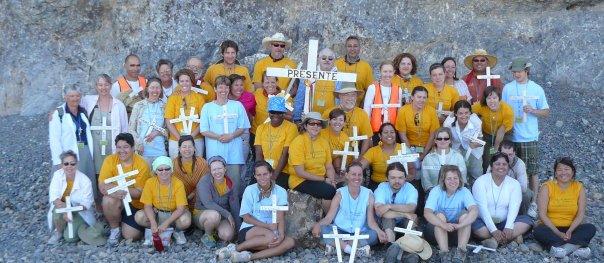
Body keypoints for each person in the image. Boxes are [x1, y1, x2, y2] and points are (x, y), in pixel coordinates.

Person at [217, 161, 296, 262]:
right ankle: (236, 248)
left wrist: (281, 236)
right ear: (255, 176)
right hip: (251, 227)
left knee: (290, 242)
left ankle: (248, 257)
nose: (262, 177)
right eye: (259, 175)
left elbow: (280, 217)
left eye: (265, 174)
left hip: (272, 230)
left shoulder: (280, 191)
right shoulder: (250, 190)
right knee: (271, 237)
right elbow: (246, 217)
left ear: (271, 173)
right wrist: (267, 226)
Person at [502, 58, 550, 218]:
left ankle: (533, 202)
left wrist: (533, 111)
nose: (516, 74)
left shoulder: (537, 89)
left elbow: (546, 111)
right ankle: (510, 201)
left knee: (532, 170)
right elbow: (503, 109)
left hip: (529, 136)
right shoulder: (508, 89)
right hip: (511, 136)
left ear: (526, 71)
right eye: (514, 72)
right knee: (508, 168)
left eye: (519, 71)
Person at [312, 162, 388, 258]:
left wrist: (379, 231)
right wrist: (318, 225)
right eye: (353, 174)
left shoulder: (369, 194)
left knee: (374, 235)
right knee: (323, 229)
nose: (357, 177)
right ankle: (353, 249)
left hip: (359, 233)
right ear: (347, 175)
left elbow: (371, 221)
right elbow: (328, 218)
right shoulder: (340, 194)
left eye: (359, 175)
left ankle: (338, 247)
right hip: (340, 231)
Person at [533, 157, 596, 259]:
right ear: (555, 173)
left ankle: (562, 249)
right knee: (538, 231)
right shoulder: (547, 187)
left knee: (590, 228)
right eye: (559, 169)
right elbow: (542, 215)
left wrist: (570, 231)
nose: (563, 172)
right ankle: (576, 247)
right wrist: (558, 233)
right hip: (551, 228)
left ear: (572, 172)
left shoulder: (579, 187)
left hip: (571, 229)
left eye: (566, 169)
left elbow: (580, 214)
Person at [200, 76, 251, 196]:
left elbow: (243, 126)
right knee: (216, 185)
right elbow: (203, 130)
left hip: (234, 151)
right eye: (220, 87)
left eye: (226, 87)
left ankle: (236, 211)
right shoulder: (207, 107)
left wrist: (231, 136)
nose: (224, 90)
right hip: (215, 151)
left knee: (235, 184)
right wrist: (219, 137)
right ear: (215, 89)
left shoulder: (237, 105)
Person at [98, 133, 152, 244]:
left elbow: (139, 192)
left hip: (136, 204)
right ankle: (115, 229)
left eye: (126, 147)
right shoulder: (110, 160)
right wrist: (116, 191)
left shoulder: (142, 164)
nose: (122, 151)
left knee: (130, 236)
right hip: (117, 199)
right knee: (108, 200)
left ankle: (133, 225)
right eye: (119, 147)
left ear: (133, 148)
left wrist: (117, 189)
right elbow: (102, 186)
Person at [471, 153, 533, 248]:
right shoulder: (480, 182)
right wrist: (493, 230)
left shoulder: (514, 184)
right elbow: (482, 208)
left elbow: (514, 207)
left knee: (527, 221)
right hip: (483, 222)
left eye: (504, 164)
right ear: (491, 166)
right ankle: (511, 238)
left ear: (508, 167)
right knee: (477, 228)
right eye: (497, 164)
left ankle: (494, 240)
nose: (501, 167)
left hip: (504, 222)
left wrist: (508, 227)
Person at [49, 85, 96, 199]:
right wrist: (59, 161)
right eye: (71, 96)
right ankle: (67, 208)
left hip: (85, 151)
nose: (75, 98)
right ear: (65, 97)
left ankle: (85, 207)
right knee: (69, 182)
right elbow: (54, 139)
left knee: (85, 180)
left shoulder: (82, 111)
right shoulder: (58, 113)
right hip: (68, 154)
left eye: (77, 95)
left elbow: (98, 96)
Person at [424, 165, 478, 262]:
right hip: (437, 232)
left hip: (457, 232)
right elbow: (427, 213)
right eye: (449, 178)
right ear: (443, 180)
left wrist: (460, 225)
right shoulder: (436, 190)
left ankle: (461, 251)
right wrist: (443, 225)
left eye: (455, 178)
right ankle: (444, 252)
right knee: (439, 215)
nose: (453, 181)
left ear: (459, 179)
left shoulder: (464, 191)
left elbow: (474, 210)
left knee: (465, 215)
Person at [288, 112, 337, 212]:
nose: (315, 126)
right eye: (312, 123)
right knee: (329, 191)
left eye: (318, 124)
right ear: (305, 125)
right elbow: (300, 172)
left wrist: (332, 180)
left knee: (339, 188)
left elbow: (329, 166)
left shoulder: (323, 142)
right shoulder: (298, 142)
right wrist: (323, 180)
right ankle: (328, 220)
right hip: (300, 180)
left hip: (319, 178)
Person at [136, 156, 191, 245]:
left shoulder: (178, 183)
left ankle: (177, 232)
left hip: (174, 215)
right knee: (139, 216)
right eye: (160, 170)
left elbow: (181, 208)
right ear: (155, 171)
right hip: (157, 214)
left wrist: (166, 223)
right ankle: (154, 230)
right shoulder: (150, 182)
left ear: (171, 170)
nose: (164, 172)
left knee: (185, 220)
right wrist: (153, 222)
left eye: (167, 169)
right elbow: (147, 206)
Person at [81, 74, 129, 175]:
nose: (103, 88)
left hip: (112, 147)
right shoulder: (88, 101)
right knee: (93, 175)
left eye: (106, 85)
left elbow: (125, 130)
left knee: (111, 175)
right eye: (100, 85)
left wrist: (123, 149)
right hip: (94, 148)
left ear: (111, 86)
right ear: (96, 86)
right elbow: (72, 102)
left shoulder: (119, 105)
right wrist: (58, 110)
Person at [47, 150, 96, 244]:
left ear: (76, 164)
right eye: (66, 164)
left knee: (70, 238)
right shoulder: (57, 175)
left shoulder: (85, 181)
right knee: (57, 212)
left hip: (80, 212)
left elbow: (86, 205)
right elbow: (54, 197)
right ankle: (58, 232)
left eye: (72, 164)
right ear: (62, 165)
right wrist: (66, 209)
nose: (69, 166)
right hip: (61, 208)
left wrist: (70, 210)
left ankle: (69, 226)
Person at [395, 86, 440, 183]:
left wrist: (424, 153)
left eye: (424, 97)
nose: (422, 100)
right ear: (412, 97)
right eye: (419, 97)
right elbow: (402, 135)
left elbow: (433, 135)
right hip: (409, 147)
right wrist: (411, 152)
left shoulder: (431, 111)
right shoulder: (403, 110)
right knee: (414, 167)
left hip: (427, 147)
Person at [194, 156, 241, 247]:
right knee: (214, 215)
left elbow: (235, 206)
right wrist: (228, 214)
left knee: (228, 235)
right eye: (214, 169)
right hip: (203, 213)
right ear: (210, 170)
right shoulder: (204, 182)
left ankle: (215, 233)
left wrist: (239, 230)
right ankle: (208, 235)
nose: (217, 172)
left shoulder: (230, 183)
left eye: (219, 168)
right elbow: (208, 203)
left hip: (222, 216)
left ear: (225, 168)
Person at [254, 96, 298, 189]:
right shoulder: (261, 128)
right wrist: (261, 174)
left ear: (284, 113)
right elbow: (259, 153)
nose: (276, 115)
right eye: (273, 112)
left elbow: (285, 154)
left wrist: (273, 177)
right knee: (253, 190)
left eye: (280, 113)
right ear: (269, 113)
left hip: (282, 171)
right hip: (263, 170)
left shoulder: (291, 128)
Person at [321, 84, 373, 157]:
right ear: (340, 96)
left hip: (353, 153)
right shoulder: (328, 113)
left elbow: (367, 138)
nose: (350, 98)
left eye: (353, 95)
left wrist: (360, 159)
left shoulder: (362, 113)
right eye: (346, 95)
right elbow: (321, 136)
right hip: (331, 154)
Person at [164, 68, 206, 158]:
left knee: (197, 166)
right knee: (176, 167)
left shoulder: (199, 98)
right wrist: (180, 139)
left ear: (191, 82)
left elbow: (203, 120)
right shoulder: (172, 98)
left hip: (196, 139)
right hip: (176, 140)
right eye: (181, 81)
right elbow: (168, 120)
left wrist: (191, 137)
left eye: (187, 81)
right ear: (178, 82)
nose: (184, 84)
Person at [471, 86, 514, 172]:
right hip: (487, 135)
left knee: (503, 157)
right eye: (489, 98)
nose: (492, 101)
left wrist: (495, 148)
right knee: (487, 158)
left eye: (494, 98)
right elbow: (467, 110)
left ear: (499, 98)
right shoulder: (480, 106)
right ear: (485, 99)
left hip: (504, 135)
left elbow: (501, 131)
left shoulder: (507, 110)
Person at [374, 162, 419, 243]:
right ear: (387, 178)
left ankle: (412, 248)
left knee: (411, 220)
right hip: (387, 222)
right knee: (387, 218)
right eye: (393, 178)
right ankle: (391, 246)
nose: (397, 181)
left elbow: (411, 208)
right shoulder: (382, 187)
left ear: (405, 178)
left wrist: (389, 206)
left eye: (400, 178)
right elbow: (379, 211)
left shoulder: (410, 188)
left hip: (404, 221)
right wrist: (404, 213)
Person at [443, 100, 484, 185]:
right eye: (460, 113)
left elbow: (480, 139)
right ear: (455, 114)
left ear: (470, 113)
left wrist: (476, 144)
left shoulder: (476, 122)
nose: (464, 116)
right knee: (457, 174)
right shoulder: (448, 123)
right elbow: (446, 140)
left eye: (466, 113)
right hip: (456, 149)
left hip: (473, 150)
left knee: (476, 174)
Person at [128, 77, 167, 165]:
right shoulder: (138, 106)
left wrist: (157, 132)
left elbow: (169, 129)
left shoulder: (165, 106)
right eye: (152, 87)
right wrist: (138, 144)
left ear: (161, 90)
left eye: (157, 88)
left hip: (160, 150)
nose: (155, 90)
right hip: (142, 150)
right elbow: (131, 129)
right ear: (147, 89)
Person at [487, 141, 532, 215]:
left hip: (513, 193)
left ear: (514, 154)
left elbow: (523, 188)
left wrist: (507, 190)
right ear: (499, 152)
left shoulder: (520, 165)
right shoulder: (494, 162)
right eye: (504, 154)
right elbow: (487, 180)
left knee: (527, 194)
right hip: (496, 191)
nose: (506, 157)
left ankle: (522, 216)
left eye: (510, 155)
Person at [293, 48, 340, 119]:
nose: (327, 60)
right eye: (324, 58)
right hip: (310, 120)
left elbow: (341, 101)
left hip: (331, 119)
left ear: (334, 61)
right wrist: (297, 118)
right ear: (318, 59)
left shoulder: (340, 78)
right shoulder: (308, 75)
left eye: (330, 59)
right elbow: (300, 99)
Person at [360, 123, 410, 189]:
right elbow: (360, 166)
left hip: (399, 185)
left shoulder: (403, 148)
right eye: (386, 132)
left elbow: (412, 169)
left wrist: (403, 179)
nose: (389, 135)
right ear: (380, 135)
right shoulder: (373, 151)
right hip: (377, 186)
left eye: (392, 132)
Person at [362, 61, 403, 138]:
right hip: (375, 130)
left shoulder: (398, 89)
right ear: (380, 72)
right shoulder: (372, 88)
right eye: (385, 71)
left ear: (394, 72)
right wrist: (367, 131)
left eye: (390, 71)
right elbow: (366, 110)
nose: (387, 74)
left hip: (392, 130)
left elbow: (399, 111)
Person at [421, 127, 467, 193]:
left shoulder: (458, 157)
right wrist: (434, 193)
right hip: (433, 193)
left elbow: (463, 178)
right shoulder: (428, 158)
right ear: (435, 141)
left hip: (455, 193)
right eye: (439, 139)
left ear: (450, 140)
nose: (443, 141)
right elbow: (425, 180)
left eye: (446, 138)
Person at [171, 135, 210, 212]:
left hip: (200, 202)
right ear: (179, 149)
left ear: (194, 148)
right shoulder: (173, 164)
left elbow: (205, 185)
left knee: (212, 218)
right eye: (184, 147)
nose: (187, 149)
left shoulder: (202, 163)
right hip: (179, 203)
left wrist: (189, 197)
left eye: (190, 146)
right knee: (183, 221)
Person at [335, 36, 375, 106]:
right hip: (337, 108)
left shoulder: (366, 67)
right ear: (346, 48)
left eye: (355, 46)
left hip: (357, 107)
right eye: (349, 46)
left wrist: (363, 106)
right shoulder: (336, 64)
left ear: (359, 48)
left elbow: (369, 90)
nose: (352, 49)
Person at [228, 74, 256, 163]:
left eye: (241, 85)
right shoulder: (224, 96)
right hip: (227, 131)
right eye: (236, 85)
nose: (239, 88)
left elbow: (253, 113)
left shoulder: (249, 97)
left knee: (242, 160)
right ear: (230, 86)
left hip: (243, 132)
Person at [320, 108, 350, 184]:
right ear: (329, 121)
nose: (337, 122)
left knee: (339, 162)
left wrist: (342, 169)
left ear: (344, 123)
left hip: (334, 162)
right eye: (334, 119)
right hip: (322, 162)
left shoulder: (345, 138)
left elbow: (345, 157)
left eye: (340, 120)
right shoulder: (321, 134)